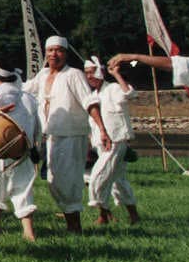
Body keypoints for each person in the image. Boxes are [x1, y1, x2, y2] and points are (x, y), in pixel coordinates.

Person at [23, 35, 107, 234]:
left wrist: (102, 129)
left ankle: (74, 226)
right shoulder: (43, 75)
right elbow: (23, 91)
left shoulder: (73, 75)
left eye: (58, 50)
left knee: (68, 180)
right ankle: (71, 221)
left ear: (66, 54)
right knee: (53, 181)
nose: (54, 54)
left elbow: (89, 102)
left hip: (72, 136)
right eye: (50, 50)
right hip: (51, 136)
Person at [0, 62, 39, 241]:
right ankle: (29, 232)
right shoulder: (29, 97)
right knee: (23, 189)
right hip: (23, 149)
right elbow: (37, 124)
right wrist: (34, 146)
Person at [85, 56, 139, 225]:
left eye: (91, 72)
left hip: (116, 140)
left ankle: (102, 213)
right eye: (86, 74)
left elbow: (130, 94)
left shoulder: (113, 89)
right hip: (101, 143)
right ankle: (132, 215)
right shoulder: (92, 95)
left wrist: (116, 74)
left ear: (100, 71)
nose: (89, 77)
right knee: (117, 180)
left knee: (97, 176)